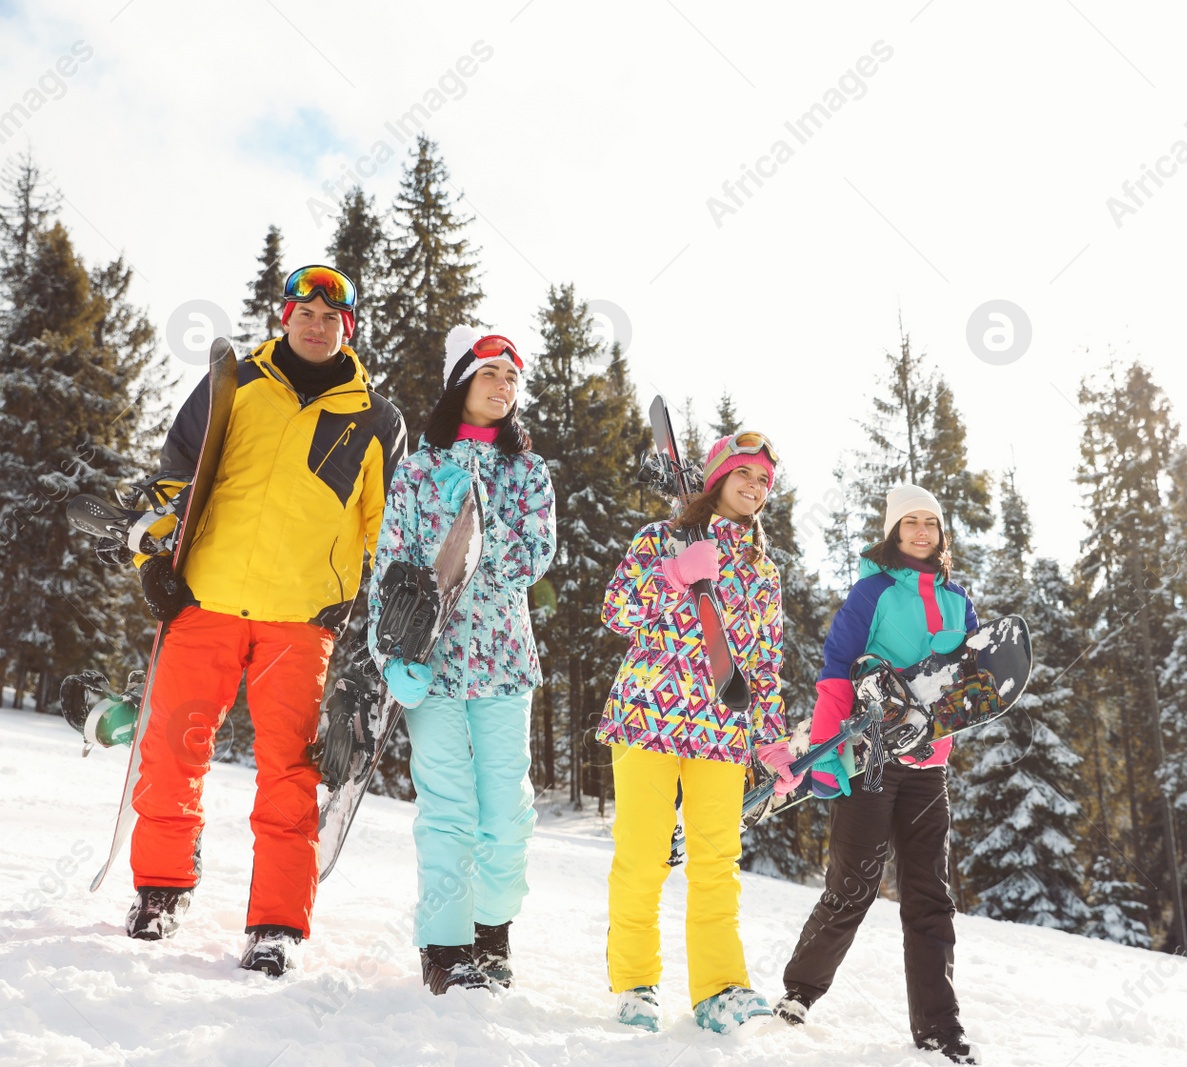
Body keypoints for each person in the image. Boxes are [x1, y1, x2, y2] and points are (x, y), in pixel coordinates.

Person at [125, 265, 405, 975]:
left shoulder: (375, 418)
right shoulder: (235, 383)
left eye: (330, 315)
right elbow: (175, 473)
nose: (316, 323)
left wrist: (383, 613)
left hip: (301, 620)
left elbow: (389, 530)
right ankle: (161, 887)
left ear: (349, 327)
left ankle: (275, 924)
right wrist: (154, 559)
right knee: (170, 750)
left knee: (288, 771)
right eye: (303, 310)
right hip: (206, 599)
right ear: (283, 317)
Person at [369, 325, 556, 995]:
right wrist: (387, 651)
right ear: (460, 385)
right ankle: (445, 947)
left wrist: (477, 516)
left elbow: (531, 560)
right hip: (433, 663)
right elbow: (390, 563)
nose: (504, 388)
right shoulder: (418, 469)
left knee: (505, 810)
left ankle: (492, 932)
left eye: (512, 379)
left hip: (506, 664)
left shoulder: (527, 472)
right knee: (446, 805)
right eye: (490, 376)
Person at [773, 484, 980, 1064]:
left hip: (927, 768)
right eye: (909, 523)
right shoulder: (871, 593)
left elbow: (970, 687)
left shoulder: (960, 600)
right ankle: (800, 991)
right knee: (854, 884)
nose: (921, 532)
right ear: (893, 532)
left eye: (930, 523)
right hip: (866, 759)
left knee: (930, 898)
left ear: (941, 534)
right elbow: (836, 672)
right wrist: (823, 756)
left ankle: (940, 1029)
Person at [597, 429, 789, 1033]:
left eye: (764, 480)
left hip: (722, 730)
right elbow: (616, 611)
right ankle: (635, 985)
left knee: (716, 862)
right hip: (647, 717)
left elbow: (764, 663)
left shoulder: (763, 570)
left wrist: (772, 739)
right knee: (643, 858)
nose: (754, 488)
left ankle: (720, 989)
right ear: (716, 477)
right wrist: (674, 573)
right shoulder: (662, 539)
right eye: (744, 473)